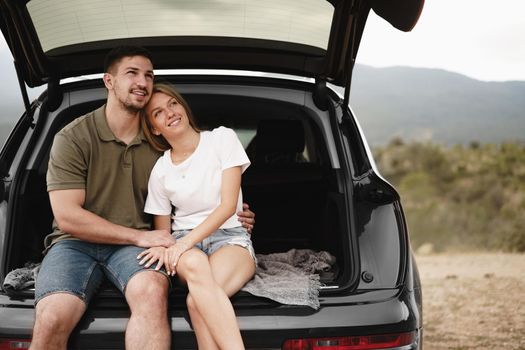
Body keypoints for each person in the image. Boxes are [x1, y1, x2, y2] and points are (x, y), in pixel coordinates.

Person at [31, 46, 255, 350]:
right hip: (75, 243)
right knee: (52, 317)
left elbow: (211, 192)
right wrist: (146, 238)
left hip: (138, 247)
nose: (142, 81)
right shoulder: (73, 137)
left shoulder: (161, 147)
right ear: (109, 81)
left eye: (148, 75)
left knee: (155, 295)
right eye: (132, 73)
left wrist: (235, 216)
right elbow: (68, 216)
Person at [136, 83, 256, 350]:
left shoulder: (222, 139)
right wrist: (173, 246)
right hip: (183, 245)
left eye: (173, 104)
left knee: (196, 302)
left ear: (184, 108)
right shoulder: (161, 170)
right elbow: (164, 232)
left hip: (230, 237)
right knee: (195, 268)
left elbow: (227, 206)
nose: (169, 113)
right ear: (155, 128)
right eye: (158, 112)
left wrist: (183, 244)